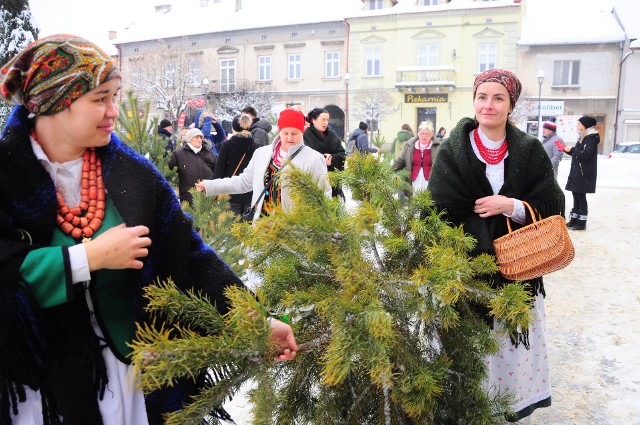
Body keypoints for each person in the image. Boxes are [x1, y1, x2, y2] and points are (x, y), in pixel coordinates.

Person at [0, 34, 297, 425]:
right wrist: (88, 258)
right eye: (100, 98)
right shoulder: (7, 176)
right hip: (40, 390)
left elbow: (190, 255)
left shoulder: (131, 172)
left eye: (116, 96)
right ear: (56, 103)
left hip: (130, 385)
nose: (113, 111)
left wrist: (256, 319)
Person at [428, 68, 565, 423]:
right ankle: (468, 404)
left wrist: (511, 205)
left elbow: (553, 204)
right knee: (469, 343)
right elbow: (438, 208)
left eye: (498, 98)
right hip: (467, 269)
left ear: (510, 105)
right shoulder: (453, 150)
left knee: (508, 344)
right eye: (482, 97)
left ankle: (507, 402)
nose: (489, 105)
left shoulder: (530, 150)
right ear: (474, 101)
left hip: (518, 272)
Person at [196, 109, 332, 221]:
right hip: (262, 228)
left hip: (294, 232)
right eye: (286, 133)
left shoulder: (314, 159)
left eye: (295, 133)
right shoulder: (262, 153)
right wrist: (210, 186)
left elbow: (323, 197)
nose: (290, 138)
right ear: (279, 131)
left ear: (302, 132)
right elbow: (243, 182)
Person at [554, 115, 600, 231]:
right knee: (576, 194)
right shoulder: (583, 137)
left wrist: (573, 149)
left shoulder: (591, 138)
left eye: (579, 124)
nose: (577, 125)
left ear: (585, 125)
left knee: (581, 196)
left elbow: (585, 155)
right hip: (578, 171)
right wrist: (565, 149)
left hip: (584, 173)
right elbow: (578, 153)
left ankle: (582, 222)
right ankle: (574, 219)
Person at [213, 114, 259, 216]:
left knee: (231, 229)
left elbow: (219, 171)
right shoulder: (257, 148)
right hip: (250, 195)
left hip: (230, 195)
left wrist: (214, 194)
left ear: (233, 128)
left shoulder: (227, 146)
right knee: (249, 229)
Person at [303, 107, 346, 199]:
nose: (326, 122)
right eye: (323, 119)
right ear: (313, 120)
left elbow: (342, 153)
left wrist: (332, 159)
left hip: (332, 182)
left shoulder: (332, 135)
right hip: (314, 182)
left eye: (327, 120)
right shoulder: (305, 136)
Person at [168, 127, 218, 207]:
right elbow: (168, 172)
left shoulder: (209, 153)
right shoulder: (178, 154)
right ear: (189, 139)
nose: (199, 140)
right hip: (188, 199)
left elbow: (217, 172)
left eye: (201, 137)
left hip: (209, 198)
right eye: (196, 137)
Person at [392, 120, 440, 197]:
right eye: (422, 133)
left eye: (427, 134)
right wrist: (388, 171)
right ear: (418, 133)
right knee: (414, 204)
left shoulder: (437, 147)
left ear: (432, 135)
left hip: (430, 182)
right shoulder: (410, 145)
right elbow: (400, 161)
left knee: (429, 203)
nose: (424, 136)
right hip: (414, 181)